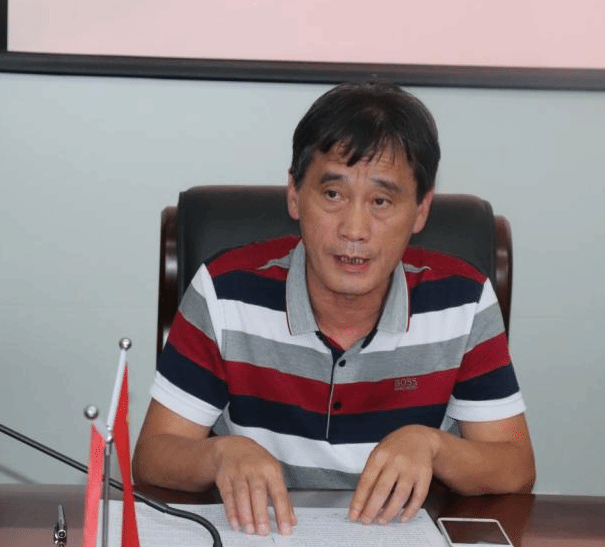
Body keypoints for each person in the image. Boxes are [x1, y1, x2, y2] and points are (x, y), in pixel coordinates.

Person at [132, 81, 535, 537]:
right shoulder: (224, 291)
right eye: (332, 195)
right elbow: (152, 457)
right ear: (294, 194)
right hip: (263, 535)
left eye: (381, 201)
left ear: (421, 210)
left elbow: (516, 467)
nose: (354, 229)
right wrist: (219, 455)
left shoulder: (463, 300)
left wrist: (434, 447)